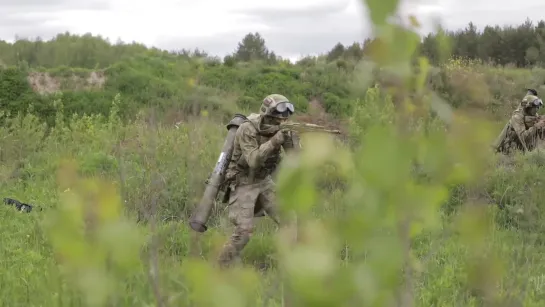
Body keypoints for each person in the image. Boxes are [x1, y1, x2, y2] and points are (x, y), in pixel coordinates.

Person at [217, 94, 298, 268]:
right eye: (277, 119)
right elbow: (253, 160)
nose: (280, 122)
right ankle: (220, 267)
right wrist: (275, 141)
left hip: (263, 180)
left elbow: (295, 159)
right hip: (242, 181)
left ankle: (287, 265)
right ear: (268, 114)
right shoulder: (248, 129)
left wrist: (291, 138)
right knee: (244, 232)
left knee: (289, 219)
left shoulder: (281, 129)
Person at [494, 89, 544, 154]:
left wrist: (541, 124)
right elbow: (523, 137)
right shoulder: (517, 117)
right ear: (528, 107)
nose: (537, 110)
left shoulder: (533, 115)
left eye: (538, 107)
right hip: (509, 151)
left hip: (524, 149)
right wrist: (536, 126)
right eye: (535, 108)